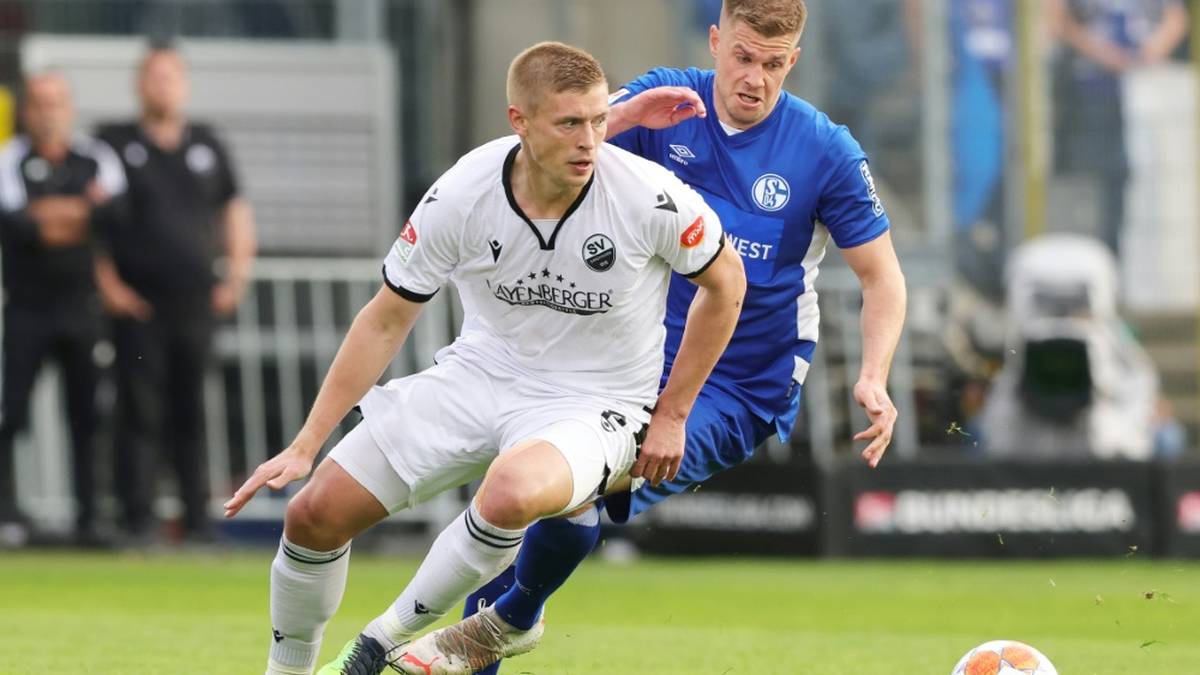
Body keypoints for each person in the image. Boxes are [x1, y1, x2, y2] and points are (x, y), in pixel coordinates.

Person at [221, 41, 745, 675]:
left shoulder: (646, 196)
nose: (590, 141)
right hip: (480, 374)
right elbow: (387, 317)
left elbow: (728, 285)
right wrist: (307, 443)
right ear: (518, 121)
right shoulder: (464, 192)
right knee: (312, 514)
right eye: (570, 123)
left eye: (600, 120)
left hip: (596, 402)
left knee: (510, 492)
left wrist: (672, 413)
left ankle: (377, 647)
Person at [419, 1, 908, 673]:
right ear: (714, 41)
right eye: (742, 56)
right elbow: (546, 155)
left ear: (792, 61)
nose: (755, 79)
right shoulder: (662, 104)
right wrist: (619, 119)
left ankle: (511, 617)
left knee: (573, 485)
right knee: (531, 492)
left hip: (741, 385)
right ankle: (497, 623)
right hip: (629, 360)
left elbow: (883, 278)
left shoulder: (825, 152)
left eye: (773, 65)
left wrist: (874, 374)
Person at [95, 42, 256, 543]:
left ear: (182, 85)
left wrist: (235, 276)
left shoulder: (207, 145)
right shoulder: (113, 144)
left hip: (195, 301)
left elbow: (235, 211)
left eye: (170, 77)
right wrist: (110, 287)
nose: (162, 86)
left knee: (192, 410)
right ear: (139, 84)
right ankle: (137, 519)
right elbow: (93, 223)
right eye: (153, 77)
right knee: (139, 411)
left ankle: (198, 520)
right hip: (138, 303)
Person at [0, 72, 125, 547]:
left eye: (55, 103)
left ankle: (91, 518)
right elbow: (18, 227)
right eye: (38, 103)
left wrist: (51, 213)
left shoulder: (96, 156)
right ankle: (7, 514)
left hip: (82, 307)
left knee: (88, 416)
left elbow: (114, 214)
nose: (47, 112)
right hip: (26, 309)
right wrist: (81, 212)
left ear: (68, 109)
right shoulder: (10, 159)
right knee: (11, 413)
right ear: (26, 111)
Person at [1048, 0, 1188, 257]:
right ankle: (1095, 262)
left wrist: (1146, 55)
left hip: (1147, 99)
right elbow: (1055, 19)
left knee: (1143, 190)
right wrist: (1105, 54)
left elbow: (1176, 18)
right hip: (1089, 96)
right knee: (1092, 188)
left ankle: (1130, 265)